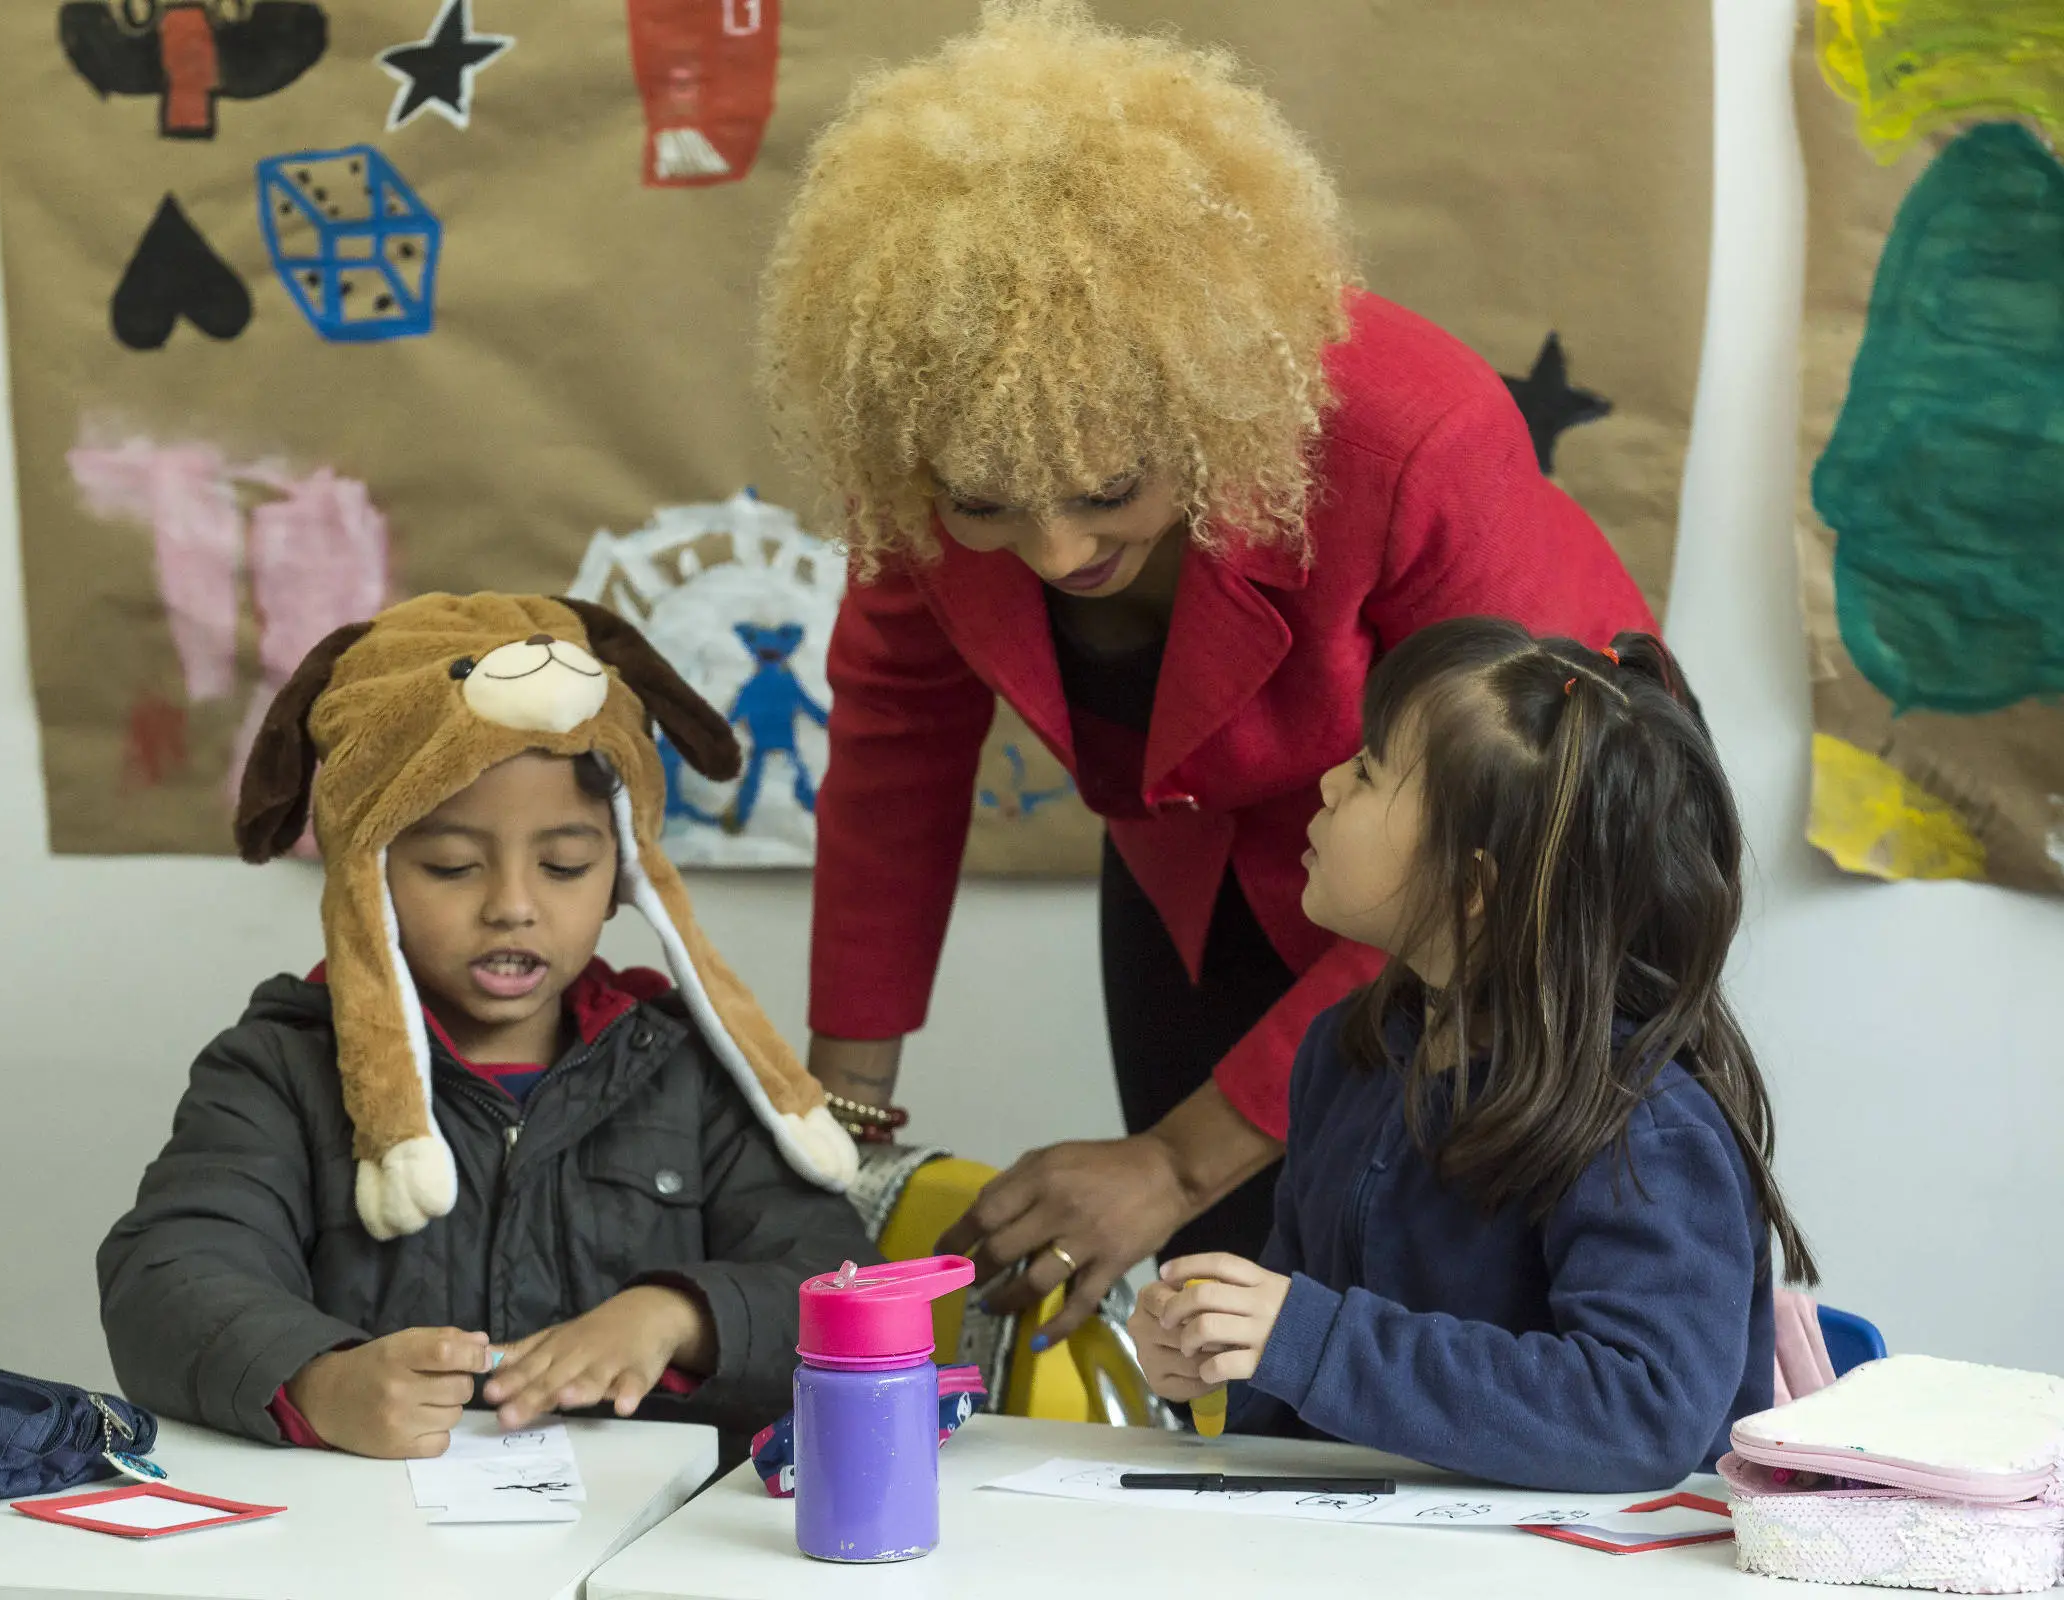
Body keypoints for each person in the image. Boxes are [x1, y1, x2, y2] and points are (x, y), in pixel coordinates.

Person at [759, 0, 1658, 1343]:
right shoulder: (939, 438)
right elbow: (898, 746)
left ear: (1204, 394)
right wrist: (838, 1132)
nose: (1054, 550)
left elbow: (1522, 855)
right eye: (990, 505)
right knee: (1232, 1328)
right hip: (1201, 877)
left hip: (1514, 873)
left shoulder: (1413, 436)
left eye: (1109, 489)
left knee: (1452, 1318)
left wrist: (1178, 1161)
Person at [98, 594, 873, 1461]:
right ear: (368, 874)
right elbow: (169, 1274)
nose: (511, 906)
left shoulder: (690, 1073)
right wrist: (319, 1379)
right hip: (380, 1545)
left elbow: (843, 1284)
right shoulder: (279, 1068)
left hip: (652, 1548)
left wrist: (682, 1315)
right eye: (453, 865)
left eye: (564, 865)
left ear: (624, 874)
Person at [1128, 619, 1816, 1492]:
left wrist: (1305, 1340)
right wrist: (1216, 1361)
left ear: (1474, 886)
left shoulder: (1644, 1125)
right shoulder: (1349, 1057)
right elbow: (1303, 1392)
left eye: (1371, 769)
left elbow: (1644, 1414)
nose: (1331, 781)